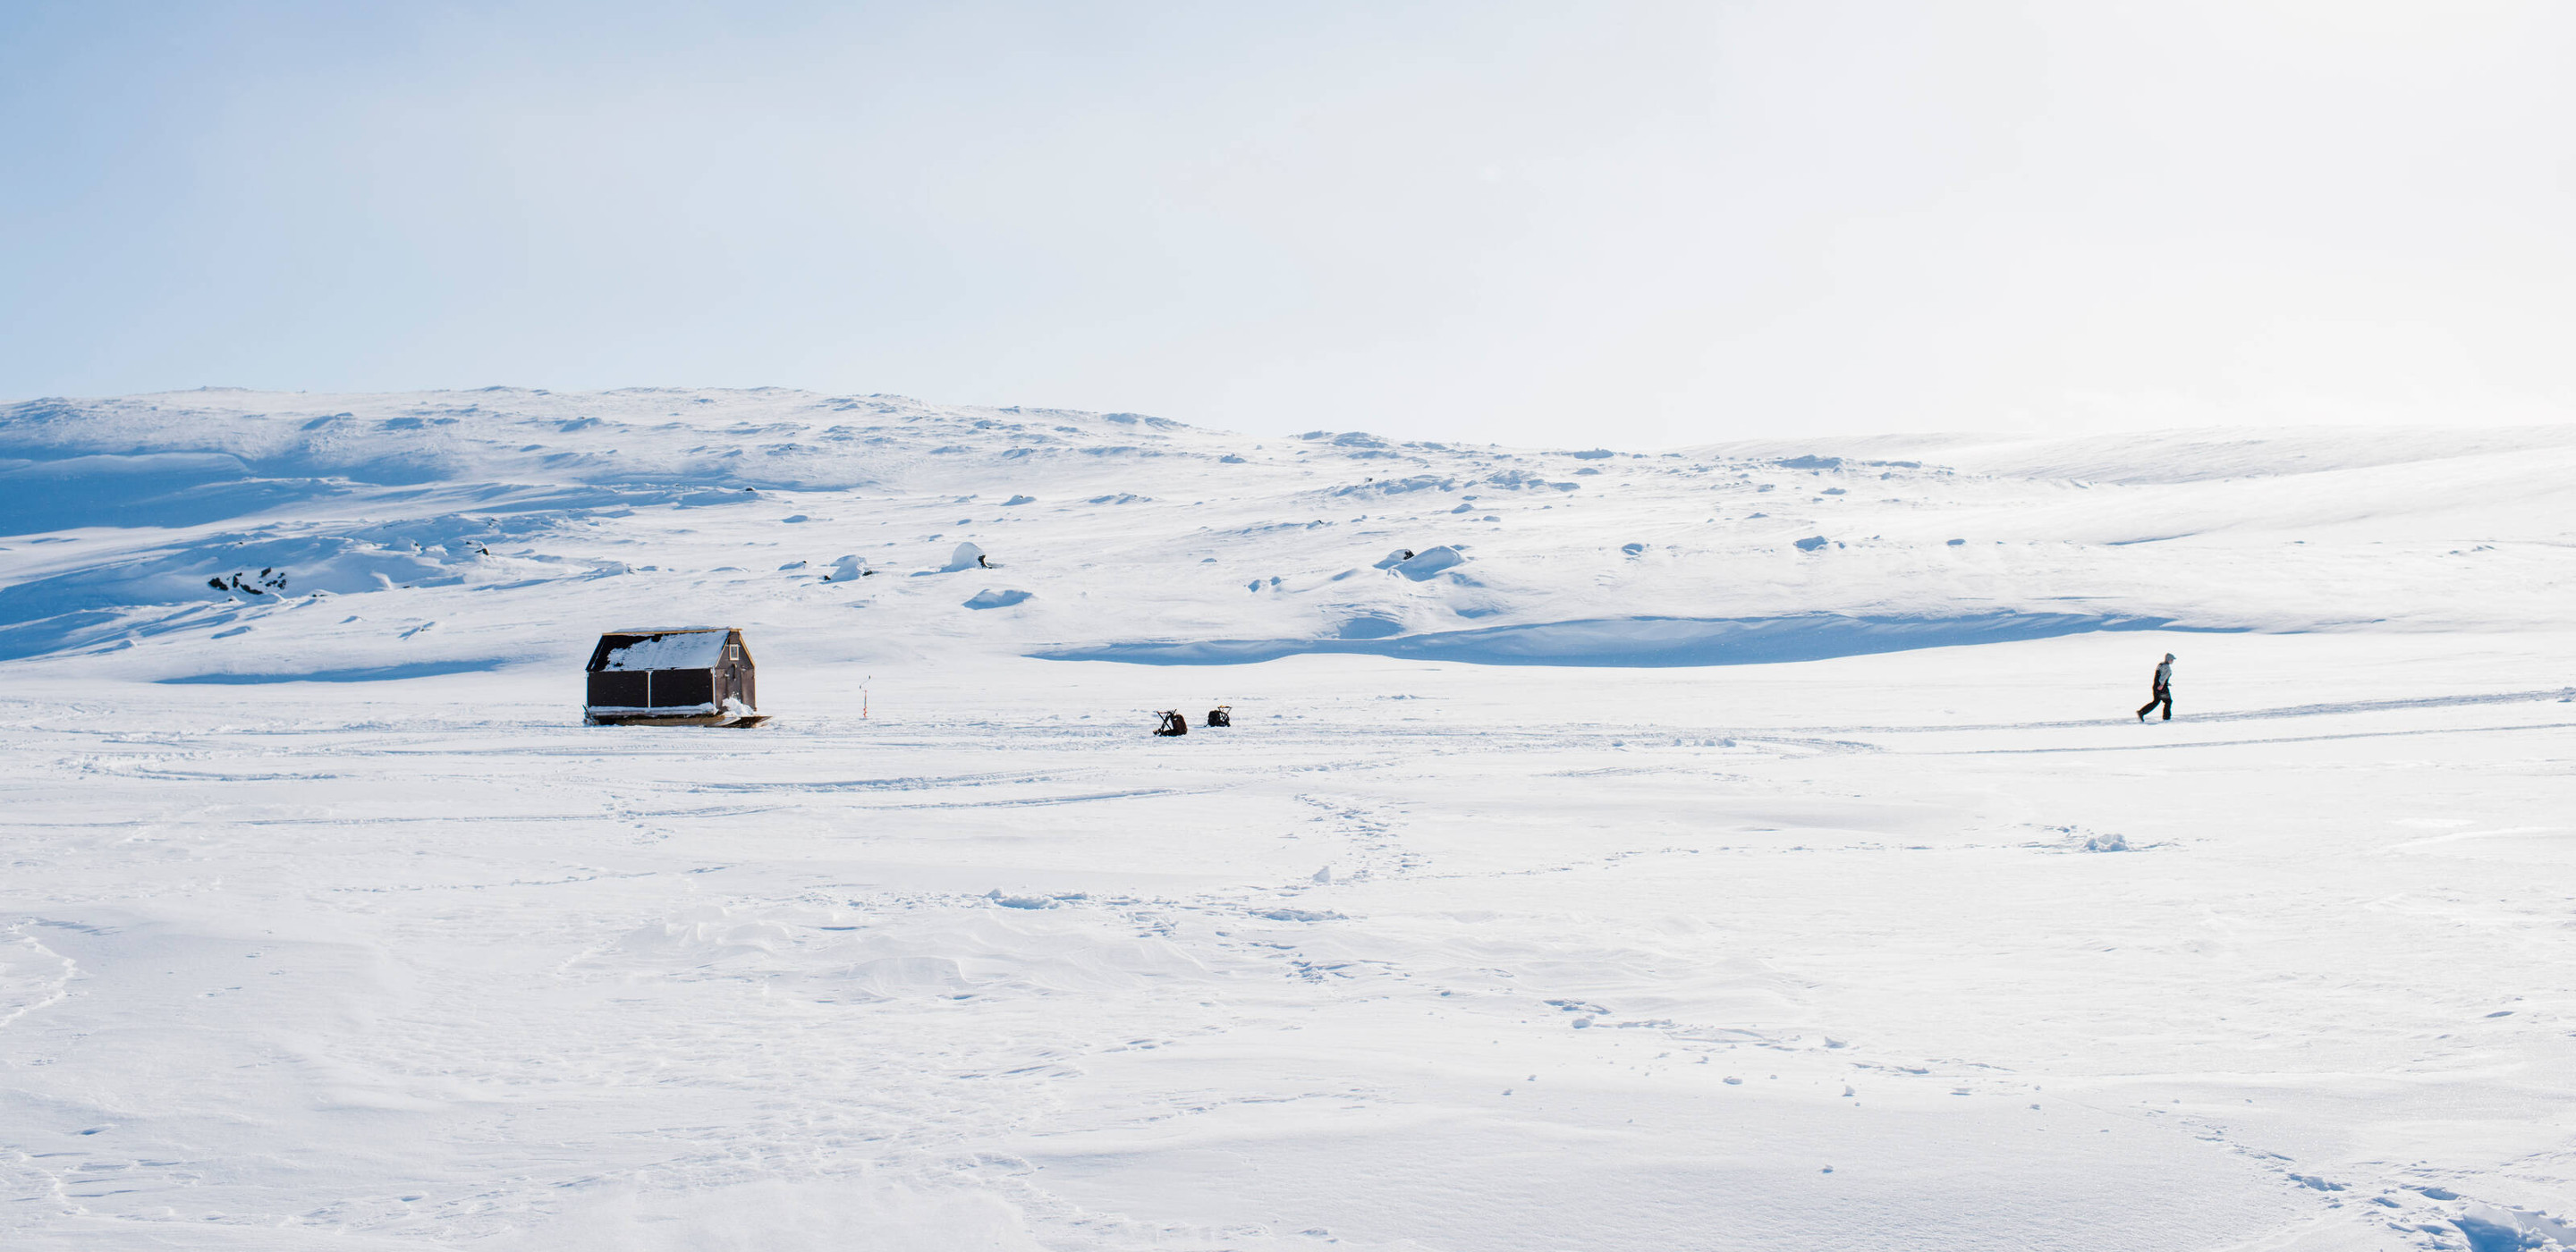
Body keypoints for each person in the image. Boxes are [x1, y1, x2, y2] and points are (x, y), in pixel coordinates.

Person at [2137, 654, 2175, 722]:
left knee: (2156, 701)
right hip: (2162, 689)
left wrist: (2165, 683)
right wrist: (2162, 685)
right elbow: (2163, 678)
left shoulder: (2161, 665)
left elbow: (2159, 676)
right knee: (2168, 701)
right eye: (2171, 660)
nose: (2172, 661)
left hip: (2156, 687)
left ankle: (2142, 712)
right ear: (2168, 659)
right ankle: (2166, 718)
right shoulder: (2167, 667)